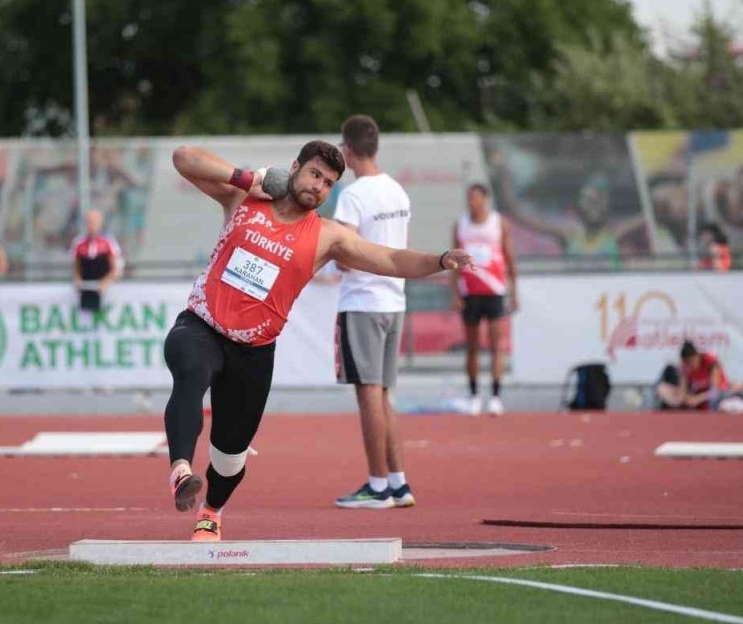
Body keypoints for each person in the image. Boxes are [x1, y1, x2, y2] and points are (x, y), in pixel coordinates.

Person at [164, 141, 472, 541]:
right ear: (294, 168)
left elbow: (390, 259)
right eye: (314, 174)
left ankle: (211, 511)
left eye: (329, 183)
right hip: (202, 324)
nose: (319, 187)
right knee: (190, 371)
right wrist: (248, 177)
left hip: (253, 351)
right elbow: (183, 159)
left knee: (229, 456)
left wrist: (440, 260)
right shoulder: (244, 198)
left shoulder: (328, 237)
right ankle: (181, 470)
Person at [327, 115, 416, 511]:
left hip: (363, 302)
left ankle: (378, 485)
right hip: (394, 300)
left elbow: (346, 255)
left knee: (368, 397)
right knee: (382, 396)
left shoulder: (354, 194)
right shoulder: (397, 191)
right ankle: (397, 482)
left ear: (347, 150)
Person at [490, 151, 645, 263]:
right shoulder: (569, 235)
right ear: (579, 205)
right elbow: (519, 213)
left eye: (599, 200)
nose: (594, 207)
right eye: (589, 200)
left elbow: (649, 214)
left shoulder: (613, 234)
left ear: (607, 204)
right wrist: (505, 176)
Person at [452, 183, 517, 417]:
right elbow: (453, 261)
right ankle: (473, 395)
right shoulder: (461, 225)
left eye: (476, 197)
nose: (471, 201)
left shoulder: (498, 224)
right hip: (470, 291)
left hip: (495, 290)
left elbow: (509, 257)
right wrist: (455, 293)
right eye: (469, 197)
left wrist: (514, 290)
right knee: (472, 347)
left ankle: (496, 396)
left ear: (485, 199)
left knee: (496, 344)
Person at [655, 341, 740, 411]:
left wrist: (697, 399)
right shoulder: (685, 367)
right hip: (697, 399)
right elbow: (682, 393)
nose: (691, 365)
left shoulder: (710, 362)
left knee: (733, 390)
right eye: (687, 362)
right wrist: (685, 398)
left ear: (697, 356)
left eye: (692, 361)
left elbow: (715, 391)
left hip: (716, 397)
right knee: (662, 388)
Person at [70, 209, 125, 312]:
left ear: (100, 223)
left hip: (105, 290)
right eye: (89, 222)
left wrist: (106, 281)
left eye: (94, 222)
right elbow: (76, 266)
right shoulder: (79, 243)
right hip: (86, 290)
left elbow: (117, 268)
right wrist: (77, 279)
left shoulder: (109, 242)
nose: (91, 225)